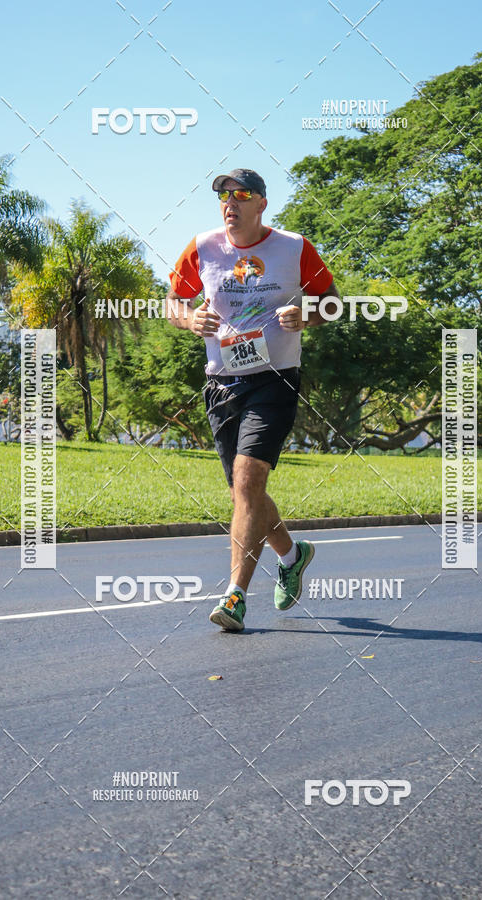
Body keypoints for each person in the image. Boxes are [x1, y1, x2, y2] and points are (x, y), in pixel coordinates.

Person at [167, 168, 339, 632]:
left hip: (275, 377)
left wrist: (307, 314)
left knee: (247, 483)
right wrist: (190, 320)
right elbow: (174, 302)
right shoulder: (202, 247)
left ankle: (235, 596)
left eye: (240, 194)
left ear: (261, 202)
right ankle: (293, 553)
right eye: (223, 195)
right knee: (246, 493)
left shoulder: (294, 247)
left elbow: (333, 302)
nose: (230, 202)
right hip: (222, 382)